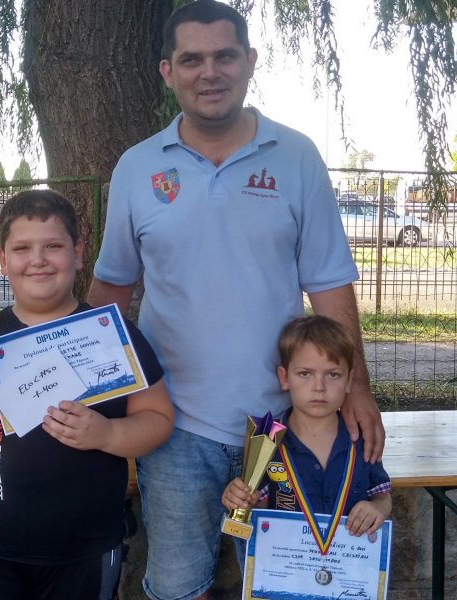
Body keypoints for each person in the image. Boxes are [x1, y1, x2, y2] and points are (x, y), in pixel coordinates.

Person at [87, 2, 385, 598]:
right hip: (173, 427)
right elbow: (111, 291)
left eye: (224, 56)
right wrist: (84, 393)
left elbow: (329, 284)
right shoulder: (136, 168)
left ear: (249, 61)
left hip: (288, 427)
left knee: (293, 587)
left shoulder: (297, 157)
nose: (210, 72)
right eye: (192, 59)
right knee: (177, 588)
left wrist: (356, 388)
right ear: (168, 71)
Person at [0, 190, 174, 600]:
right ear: (3, 260)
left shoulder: (111, 333)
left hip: (84, 551)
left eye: (53, 246)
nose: (37, 259)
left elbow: (159, 419)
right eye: (22, 249)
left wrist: (107, 434)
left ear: (78, 253)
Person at [222, 316, 391, 543]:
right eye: (305, 374)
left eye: (333, 375)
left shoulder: (360, 438)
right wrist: (238, 498)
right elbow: (256, 503)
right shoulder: (266, 439)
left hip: (348, 559)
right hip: (286, 559)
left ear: (349, 381)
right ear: (284, 378)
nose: (319, 387)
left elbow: (382, 496)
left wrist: (378, 509)